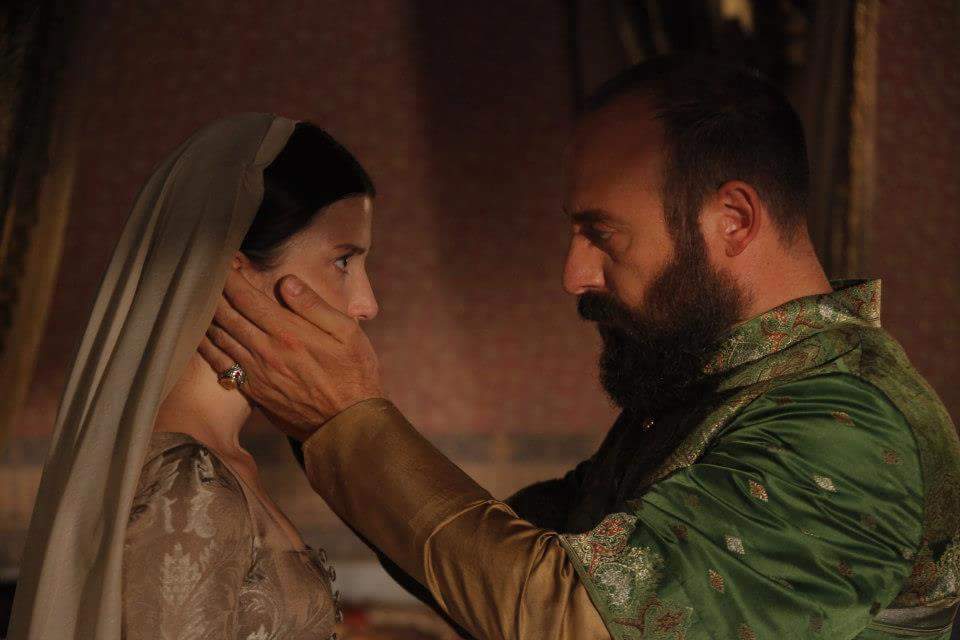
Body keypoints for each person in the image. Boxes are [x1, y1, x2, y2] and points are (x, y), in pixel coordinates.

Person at [202, 57, 960, 639]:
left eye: (602, 233)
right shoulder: (713, 391)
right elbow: (492, 565)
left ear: (732, 220)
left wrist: (345, 417)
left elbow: (571, 616)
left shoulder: (846, 429)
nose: (574, 274)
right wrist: (314, 403)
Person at [9, 114, 377, 640]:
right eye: (343, 261)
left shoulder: (220, 461)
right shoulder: (188, 483)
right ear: (235, 271)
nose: (366, 303)